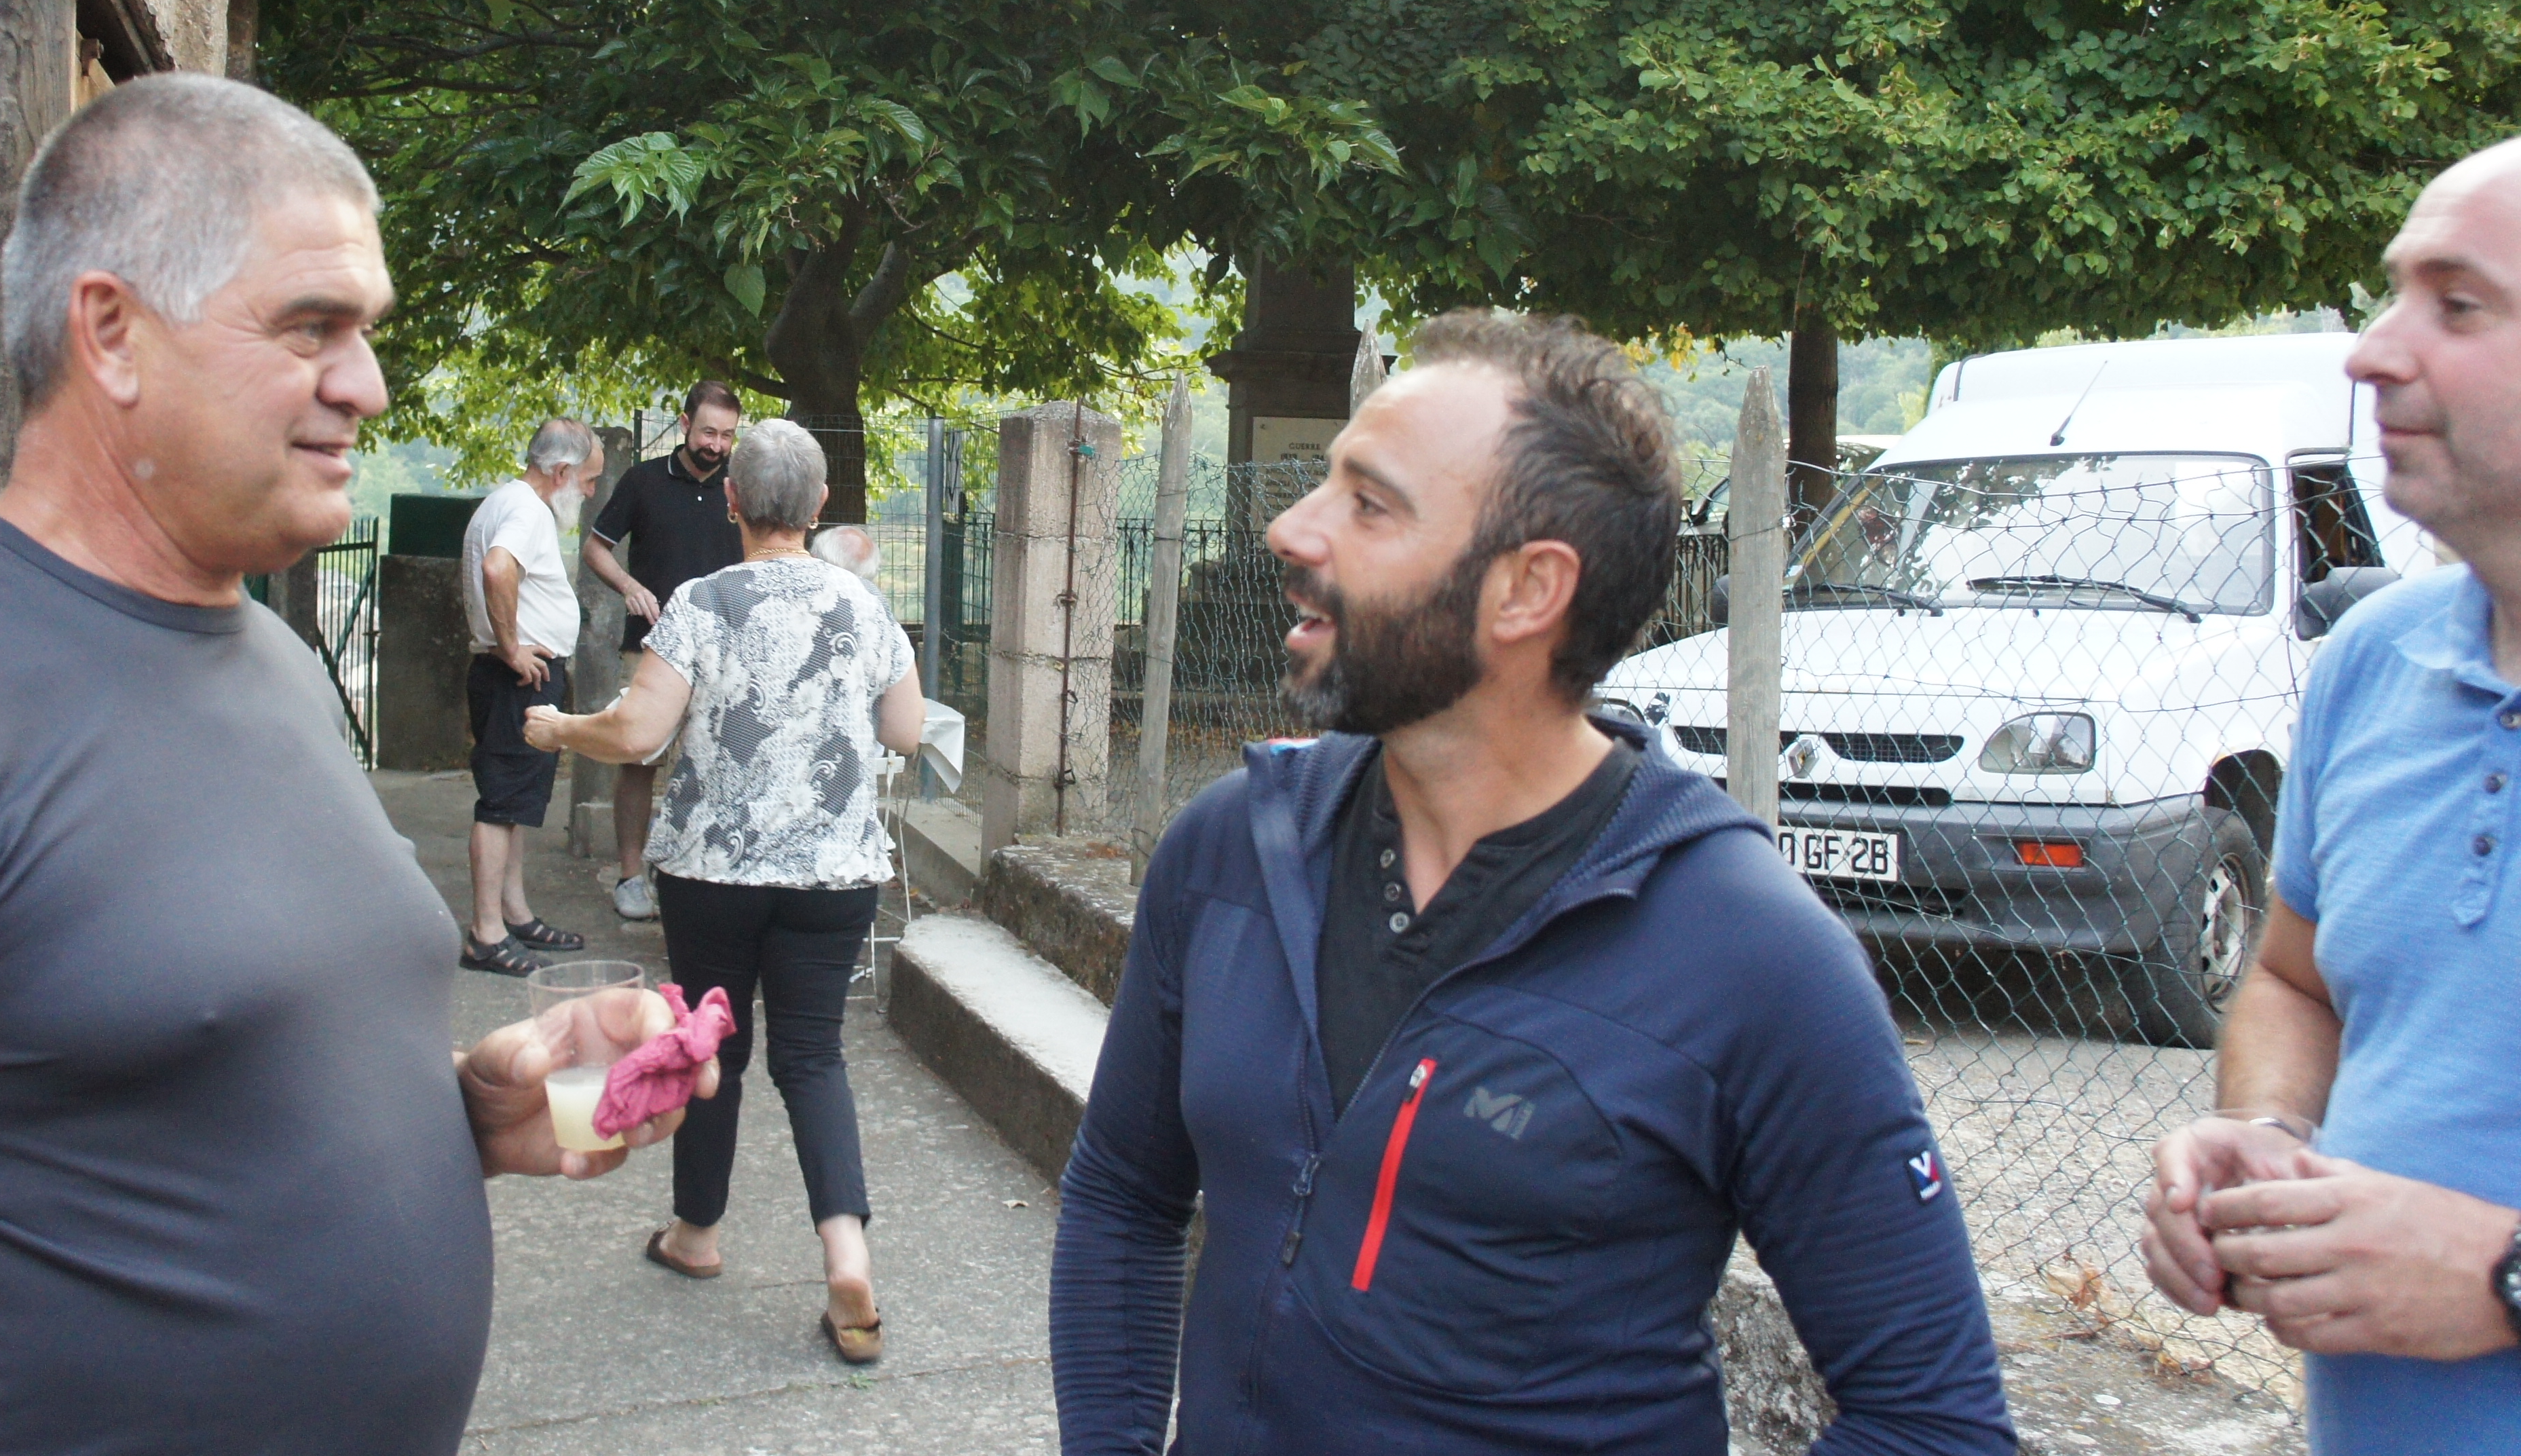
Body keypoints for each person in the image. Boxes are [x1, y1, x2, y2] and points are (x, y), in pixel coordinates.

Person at [0, 73, 706, 1456]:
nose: (366, 383)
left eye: (365, 332)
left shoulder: (272, 662)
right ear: (111, 333)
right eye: (312, 327)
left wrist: (473, 1106)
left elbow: (158, 1081)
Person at [1049, 310, 2015, 1454]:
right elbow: (1123, 1196)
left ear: (1525, 590)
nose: (1290, 528)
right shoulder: (1228, 850)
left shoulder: (1753, 957)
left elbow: (1934, 1422)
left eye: (1369, 504)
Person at [2140, 138, 2521, 1451]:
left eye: (2456, 304)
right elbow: (2294, 981)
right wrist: (2261, 1131)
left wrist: (2500, 1278)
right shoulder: (2372, 660)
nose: (2369, 352)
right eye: (2392, 292)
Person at [523, 419, 923, 1366]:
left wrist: (560, 728)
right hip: (832, 876)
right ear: (819, 503)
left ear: (733, 501)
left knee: (714, 1044)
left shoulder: (701, 602)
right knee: (814, 1058)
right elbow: (905, 732)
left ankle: (696, 1234)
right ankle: (847, 1257)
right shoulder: (865, 606)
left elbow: (636, 734)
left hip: (713, 873)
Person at [580, 382, 745, 922]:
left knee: (718, 765)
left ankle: (698, 871)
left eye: (727, 436)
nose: (716, 445)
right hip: (650, 649)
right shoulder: (643, 480)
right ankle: (631, 877)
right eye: (708, 432)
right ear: (684, 424)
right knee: (638, 760)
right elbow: (595, 549)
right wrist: (628, 586)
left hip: (725, 656)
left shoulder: (742, 488)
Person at [457, 416, 603, 975]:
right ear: (561, 472)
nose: (589, 492)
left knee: (514, 802)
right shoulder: (528, 512)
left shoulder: (506, 502)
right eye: (587, 481)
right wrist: (513, 648)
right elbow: (498, 569)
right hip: (517, 677)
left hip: (515, 675)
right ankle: (486, 934)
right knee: (501, 805)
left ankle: (513, 914)